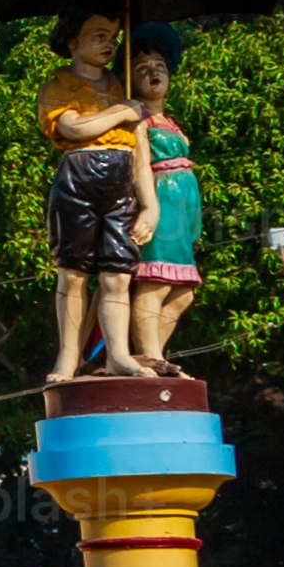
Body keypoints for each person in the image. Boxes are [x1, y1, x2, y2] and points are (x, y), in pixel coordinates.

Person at [36, 17, 154, 380]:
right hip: (78, 178)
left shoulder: (120, 87)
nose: (109, 45)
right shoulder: (60, 85)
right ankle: (68, 356)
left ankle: (117, 353)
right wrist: (122, 112)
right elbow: (74, 127)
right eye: (99, 37)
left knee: (117, 272)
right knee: (72, 273)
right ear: (73, 42)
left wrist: (149, 203)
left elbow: (140, 150)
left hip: (119, 182)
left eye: (114, 39)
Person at [126, 39, 204, 371]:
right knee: (155, 282)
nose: (153, 72)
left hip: (182, 210)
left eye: (159, 65)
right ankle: (149, 356)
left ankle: (153, 354)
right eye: (143, 68)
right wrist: (148, 205)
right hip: (160, 203)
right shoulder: (136, 117)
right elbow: (137, 163)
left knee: (183, 293)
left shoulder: (170, 121)